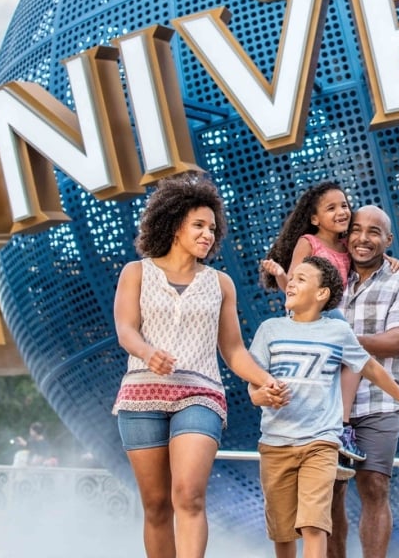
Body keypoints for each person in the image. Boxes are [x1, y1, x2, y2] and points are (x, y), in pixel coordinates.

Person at [113, 171, 286, 558]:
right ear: (174, 225)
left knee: (189, 495)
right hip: (141, 395)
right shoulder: (136, 272)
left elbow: (234, 350)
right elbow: (125, 329)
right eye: (198, 225)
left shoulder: (221, 283)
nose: (208, 234)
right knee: (156, 505)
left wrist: (266, 380)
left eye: (212, 227)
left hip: (200, 394)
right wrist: (148, 353)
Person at [248, 256, 399, 558]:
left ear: (322, 293)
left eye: (300, 279)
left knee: (314, 525)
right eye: (292, 278)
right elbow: (253, 380)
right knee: (283, 532)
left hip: (321, 443)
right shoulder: (269, 330)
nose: (291, 283)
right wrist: (259, 396)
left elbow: (371, 368)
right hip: (275, 444)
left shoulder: (338, 333)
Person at [259, 181, 399, 466]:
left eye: (344, 205)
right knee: (351, 352)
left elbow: (368, 250)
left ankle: (338, 429)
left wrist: (388, 258)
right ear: (314, 219)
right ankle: (328, 431)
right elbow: (293, 286)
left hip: (331, 321)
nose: (341, 212)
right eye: (331, 208)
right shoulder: (308, 242)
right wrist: (280, 276)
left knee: (352, 361)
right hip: (311, 316)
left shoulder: (346, 245)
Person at [329, 205, 399, 558]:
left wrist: (343, 341)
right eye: (356, 230)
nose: (363, 238)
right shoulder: (328, 279)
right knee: (330, 493)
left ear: (388, 240)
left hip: (378, 402)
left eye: (374, 232)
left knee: (374, 486)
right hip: (326, 404)